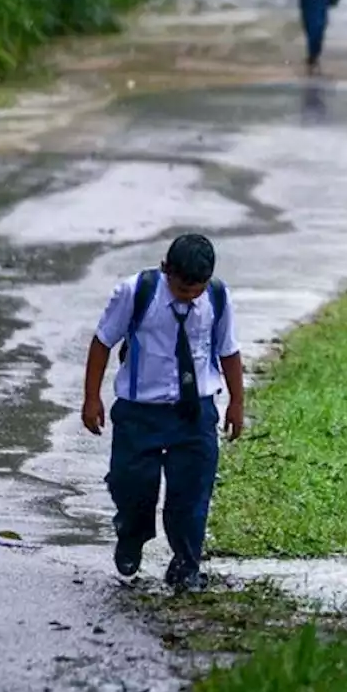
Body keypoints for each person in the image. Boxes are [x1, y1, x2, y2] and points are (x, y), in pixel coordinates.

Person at [81, 233, 245, 592]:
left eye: (195, 289)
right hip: (140, 412)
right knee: (132, 485)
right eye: (181, 287)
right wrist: (91, 398)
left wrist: (236, 402)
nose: (188, 295)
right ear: (165, 269)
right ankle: (131, 536)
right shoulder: (135, 292)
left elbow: (229, 351)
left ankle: (186, 563)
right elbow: (102, 342)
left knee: (192, 493)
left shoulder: (217, 297)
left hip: (195, 412)